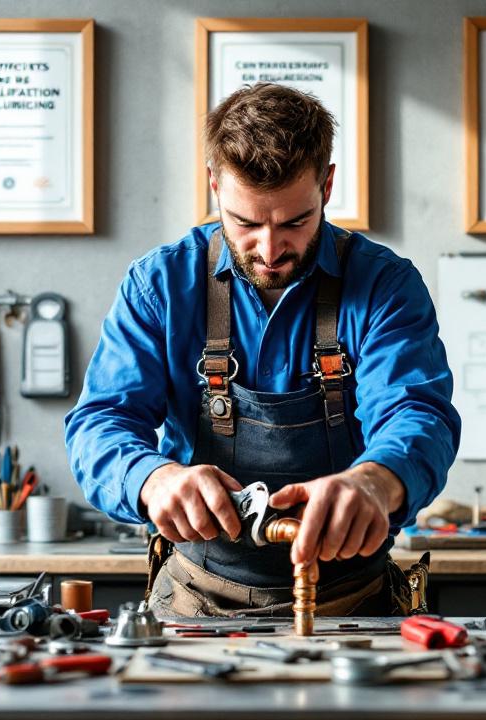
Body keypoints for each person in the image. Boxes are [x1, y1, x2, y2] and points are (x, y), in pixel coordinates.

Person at [65, 82, 459, 620]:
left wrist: (376, 480)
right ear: (213, 186)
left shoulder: (386, 285)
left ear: (327, 184)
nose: (269, 250)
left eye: (295, 221)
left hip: (352, 603)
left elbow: (417, 413)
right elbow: (101, 422)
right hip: (195, 598)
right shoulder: (159, 284)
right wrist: (153, 479)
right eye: (246, 223)